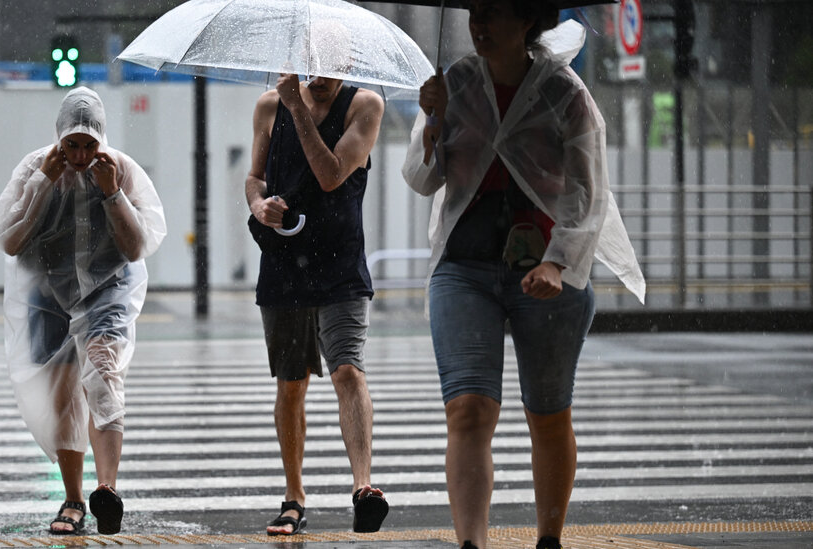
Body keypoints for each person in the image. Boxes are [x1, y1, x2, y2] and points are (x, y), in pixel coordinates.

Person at [401, 2, 646, 549]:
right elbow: (422, 179)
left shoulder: (564, 94)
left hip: (546, 271)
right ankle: (471, 542)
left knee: (548, 411)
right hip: (463, 267)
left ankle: (550, 538)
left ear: (527, 21)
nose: (480, 25)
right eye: (476, 14)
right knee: (468, 407)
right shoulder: (455, 83)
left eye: (495, 13)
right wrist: (432, 122)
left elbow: (588, 192)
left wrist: (557, 262)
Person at [0, 86, 166, 536]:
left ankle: (106, 490)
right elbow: (9, 238)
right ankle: (72, 500)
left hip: (107, 293)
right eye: (73, 144)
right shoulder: (36, 167)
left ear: (102, 140)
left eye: (90, 144)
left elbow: (137, 246)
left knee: (104, 376)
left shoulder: (120, 170)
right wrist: (42, 183)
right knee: (62, 396)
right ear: (58, 139)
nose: (82, 155)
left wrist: (112, 195)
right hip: (47, 296)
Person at [244, 67, 388, 536]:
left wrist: (299, 111)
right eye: (312, 69)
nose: (320, 79)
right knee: (291, 383)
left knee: (347, 368)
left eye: (331, 70)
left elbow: (330, 175)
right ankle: (293, 496)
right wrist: (257, 205)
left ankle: (363, 486)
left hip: (341, 265)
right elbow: (254, 177)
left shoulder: (365, 106)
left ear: (346, 67)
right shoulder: (269, 105)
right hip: (285, 264)